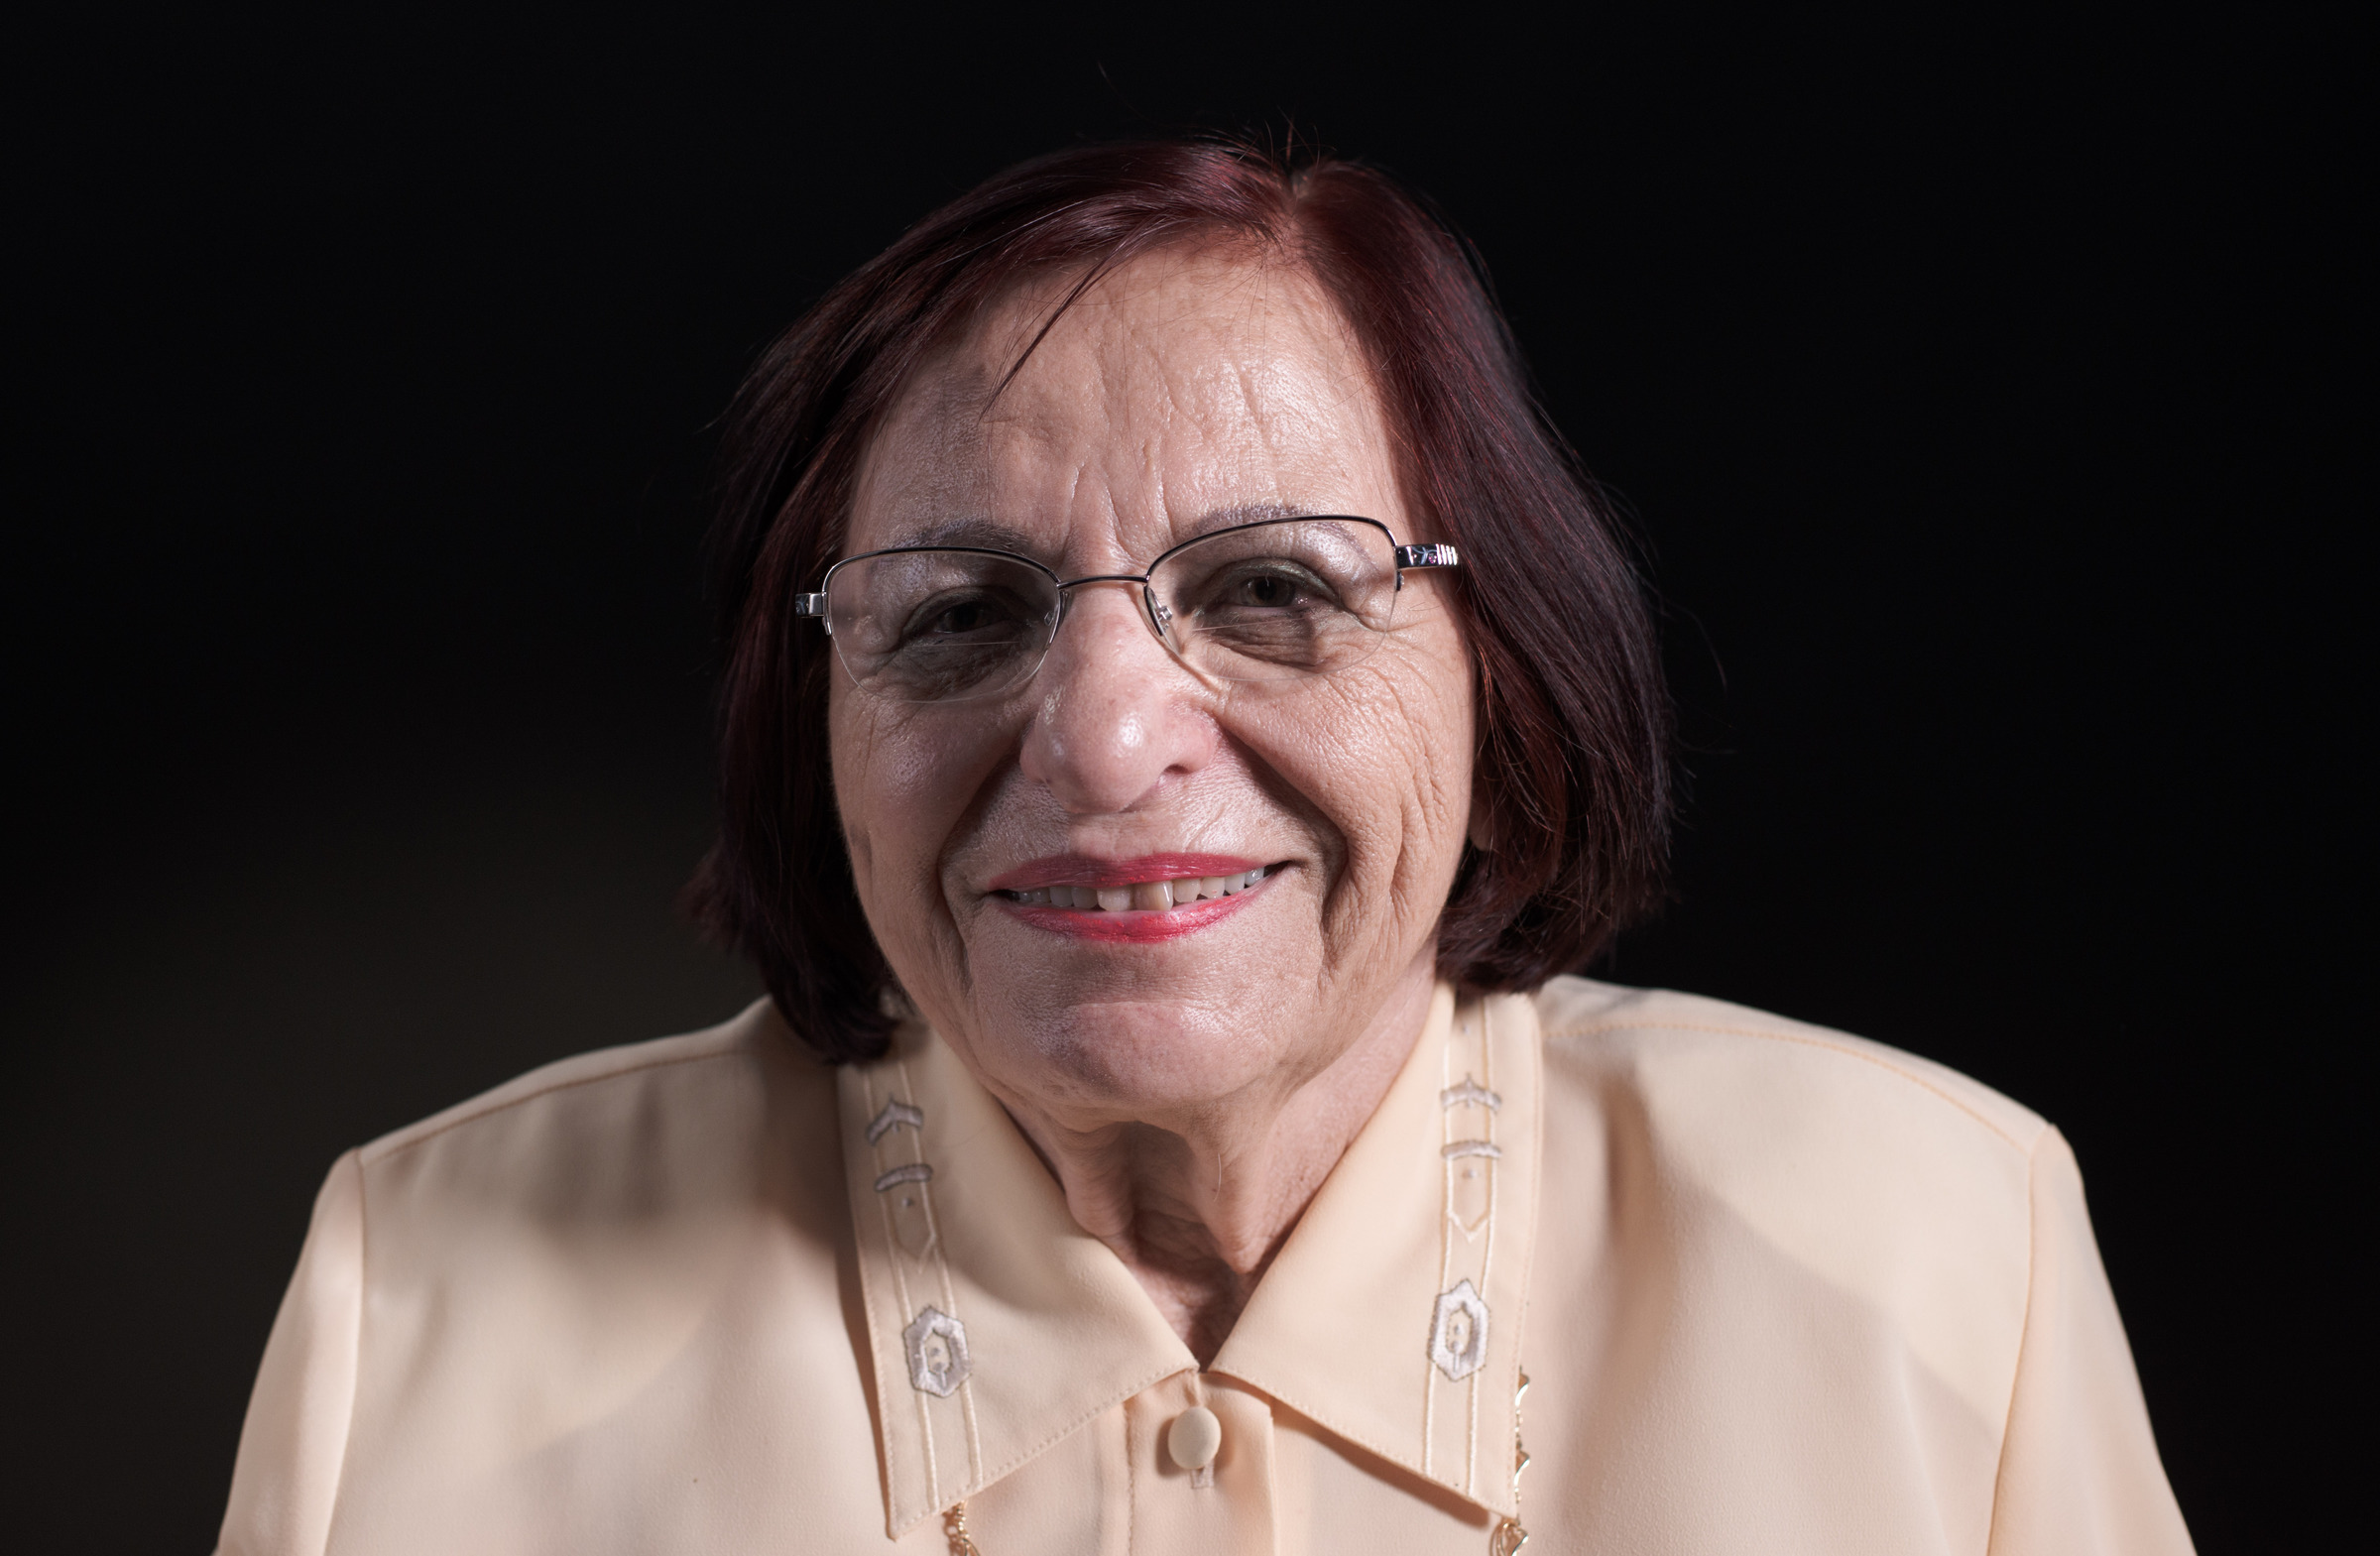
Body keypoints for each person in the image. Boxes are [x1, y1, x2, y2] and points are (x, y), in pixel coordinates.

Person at [216, 139, 2192, 1555]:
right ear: (810, 715)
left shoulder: (1941, 1246)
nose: (1100, 733)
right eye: (958, 611)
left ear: (1504, 666)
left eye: (1271, 590)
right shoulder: (429, 1293)